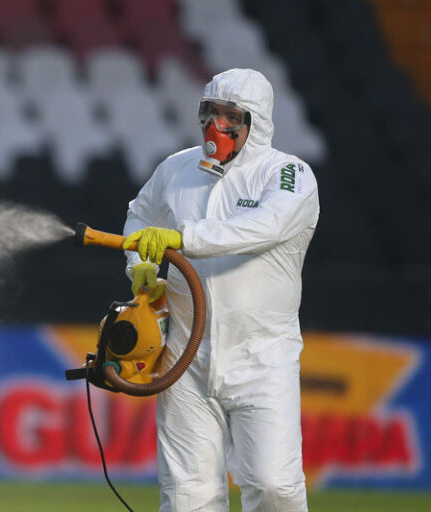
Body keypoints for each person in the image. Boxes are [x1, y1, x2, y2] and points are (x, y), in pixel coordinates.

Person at [121, 68, 319, 512]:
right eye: (210, 112)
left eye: (231, 116)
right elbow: (138, 219)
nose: (217, 126)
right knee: (188, 495)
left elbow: (263, 227)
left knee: (274, 485)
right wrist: (141, 267)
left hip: (262, 358)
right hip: (184, 356)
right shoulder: (176, 168)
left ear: (257, 122)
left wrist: (181, 238)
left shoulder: (288, 174)